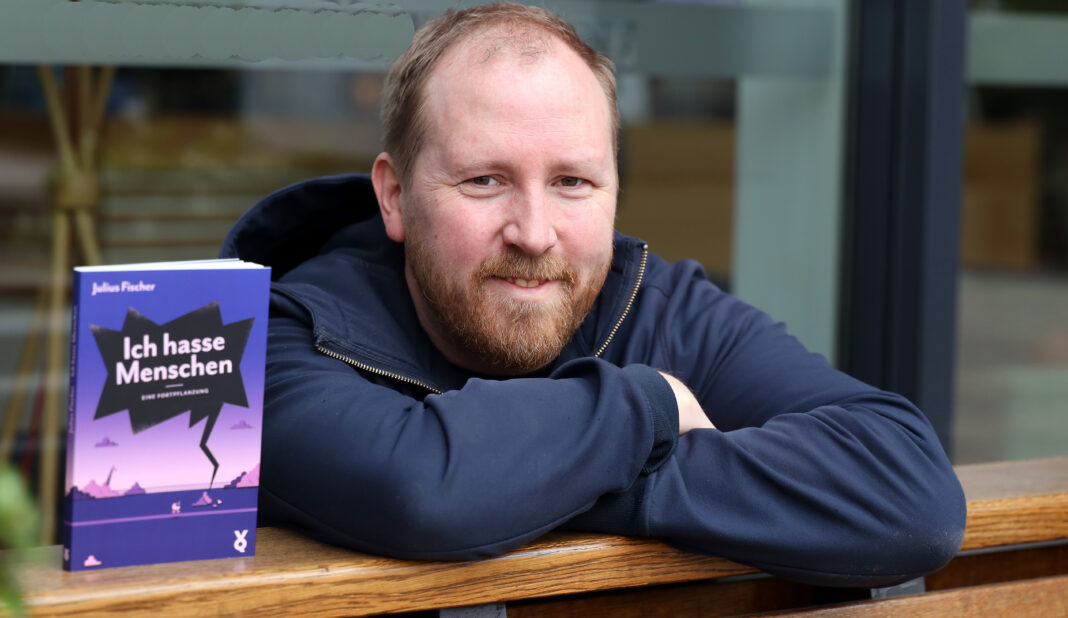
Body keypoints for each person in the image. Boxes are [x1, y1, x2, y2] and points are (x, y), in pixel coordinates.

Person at [221, 2, 965, 586]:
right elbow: (419, 488)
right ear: (394, 196)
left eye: (572, 182)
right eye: (485, 180)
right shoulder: (273, 341)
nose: (535, 233)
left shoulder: (654, 306)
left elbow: (909, 492)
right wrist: (651, 408)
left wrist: (558, 480)